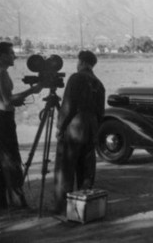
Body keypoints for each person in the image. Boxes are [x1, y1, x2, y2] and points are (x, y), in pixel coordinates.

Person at [0, 41, 42, 211]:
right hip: (3, 120)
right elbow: (8, 100)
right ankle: (17, 202)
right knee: (12, 161)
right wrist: (31, 91)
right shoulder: (2, 74)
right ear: (3, 56)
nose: (14, 56)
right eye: (11, 53)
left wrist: (12, 102)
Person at [54, 50, 105, 214]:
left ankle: (62, 207)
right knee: (86, 169)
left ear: (82, 63)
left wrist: (60, 127)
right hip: (92, 127)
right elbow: (101, 112)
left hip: (76, 126)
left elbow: (68, 106)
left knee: (66, 168)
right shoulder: (99, 83)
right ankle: (83, 208)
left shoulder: (76, 78)